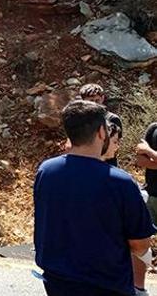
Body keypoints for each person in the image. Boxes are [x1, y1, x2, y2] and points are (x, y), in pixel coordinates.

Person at [34, 100, 155, 296]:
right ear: (101, 132)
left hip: (57, 282)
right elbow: (140, 244)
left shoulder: (46, 170)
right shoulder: (121, 182)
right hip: (106, 285)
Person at [79, 83, 123, 166]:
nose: (95, 104)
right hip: (84, 162)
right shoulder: (80, 119)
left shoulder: (112, 119)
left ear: (102, 98)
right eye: (91, 101)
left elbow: (115, 145)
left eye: (97, 100)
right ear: (83, 101)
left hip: (107, 163)